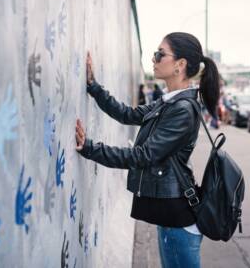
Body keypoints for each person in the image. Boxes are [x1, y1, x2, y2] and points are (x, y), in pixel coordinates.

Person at [75, 32, 220, 268]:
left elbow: (144, 156)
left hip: (178, 220)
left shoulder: (182, 109)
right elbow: (128, 114)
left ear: (180, 65)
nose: (154, 58)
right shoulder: (169, 102)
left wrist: (90, 148)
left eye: (160, 54)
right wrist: (93, 87)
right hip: (170, 214)